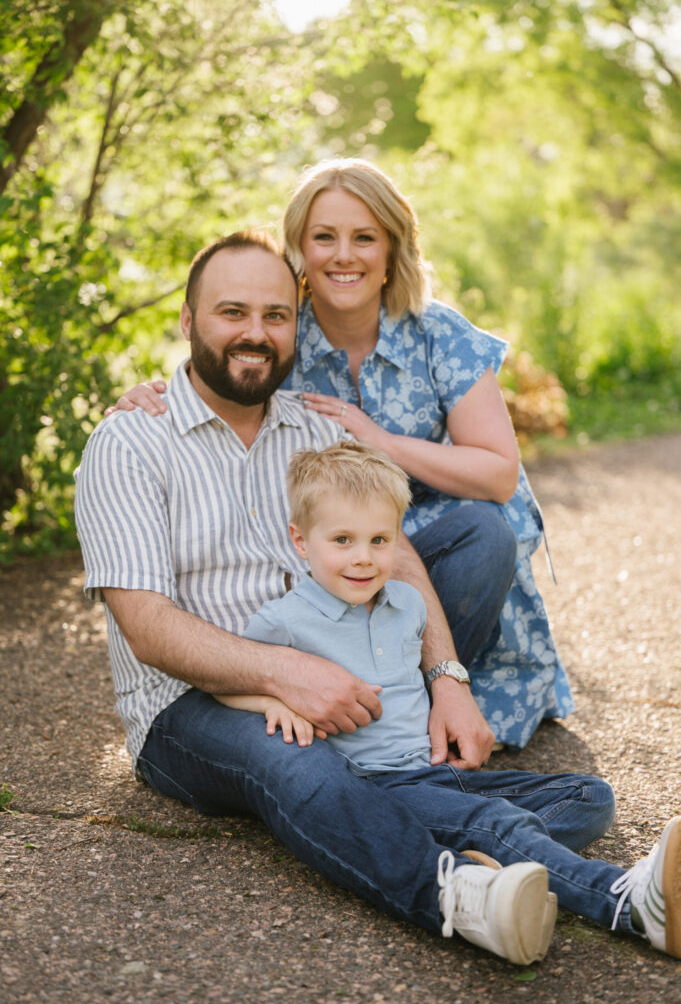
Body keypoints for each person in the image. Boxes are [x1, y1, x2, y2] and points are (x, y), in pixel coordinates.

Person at [76, 233, 681, 966]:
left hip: (349, 678)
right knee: (295, 765)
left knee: (583, 799)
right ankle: (515, 897)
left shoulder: (314, 427)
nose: (254, 332)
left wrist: (446, 679)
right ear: (186, 320)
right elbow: (145, 626)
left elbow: (394, 553)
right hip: (197, 708)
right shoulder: (130, 443)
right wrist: (282, 675)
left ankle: (358, 814)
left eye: (274, 315)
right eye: (230, 311)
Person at [109, 158, 573, 750]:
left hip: (437, 550)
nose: (343, 255)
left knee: (486, 534)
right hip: (337, 565)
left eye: (364, 237)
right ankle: (353, 706)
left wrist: (379, 441)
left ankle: (422, 702)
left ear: (391, 250)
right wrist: (151, 393)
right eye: (324, 237)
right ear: (299, 248)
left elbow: (499, 474)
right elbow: (221, 361)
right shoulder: (281, 331)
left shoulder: (440, 335)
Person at [212, 438, 681, 965]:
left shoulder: (407, 603)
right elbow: (228, 677)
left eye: (379, 539)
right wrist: (267, 702)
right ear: (301, 540)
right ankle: (628, 904)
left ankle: (463, 854)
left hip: (436, 772)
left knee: (590, 796)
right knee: (498, 823)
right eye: (341, 540)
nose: (363, 557)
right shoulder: (283, 620)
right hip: (379, 785)